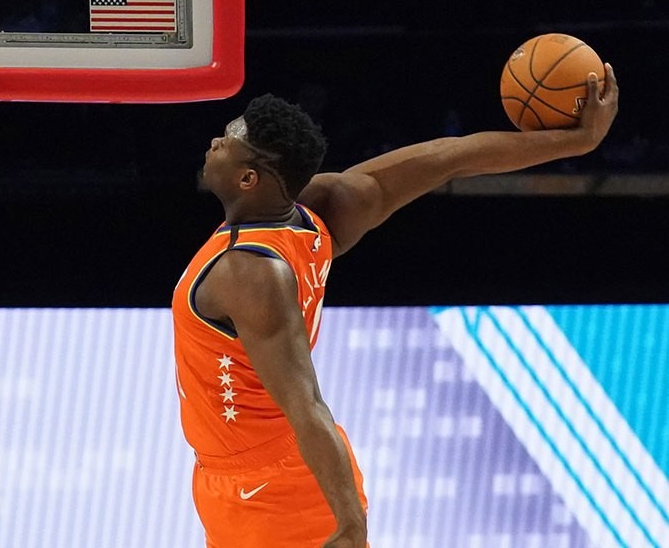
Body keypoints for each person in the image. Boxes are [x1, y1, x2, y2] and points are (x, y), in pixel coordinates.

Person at [171, 64, 619, 547]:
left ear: (248, 179)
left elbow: (307, 406)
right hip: (245, 477)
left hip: (270, 487)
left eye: (227, 141)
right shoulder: (319, 210)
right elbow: (449, 156)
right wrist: (574, 143)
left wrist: (351, 527)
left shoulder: (251, 271)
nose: (215, 141)